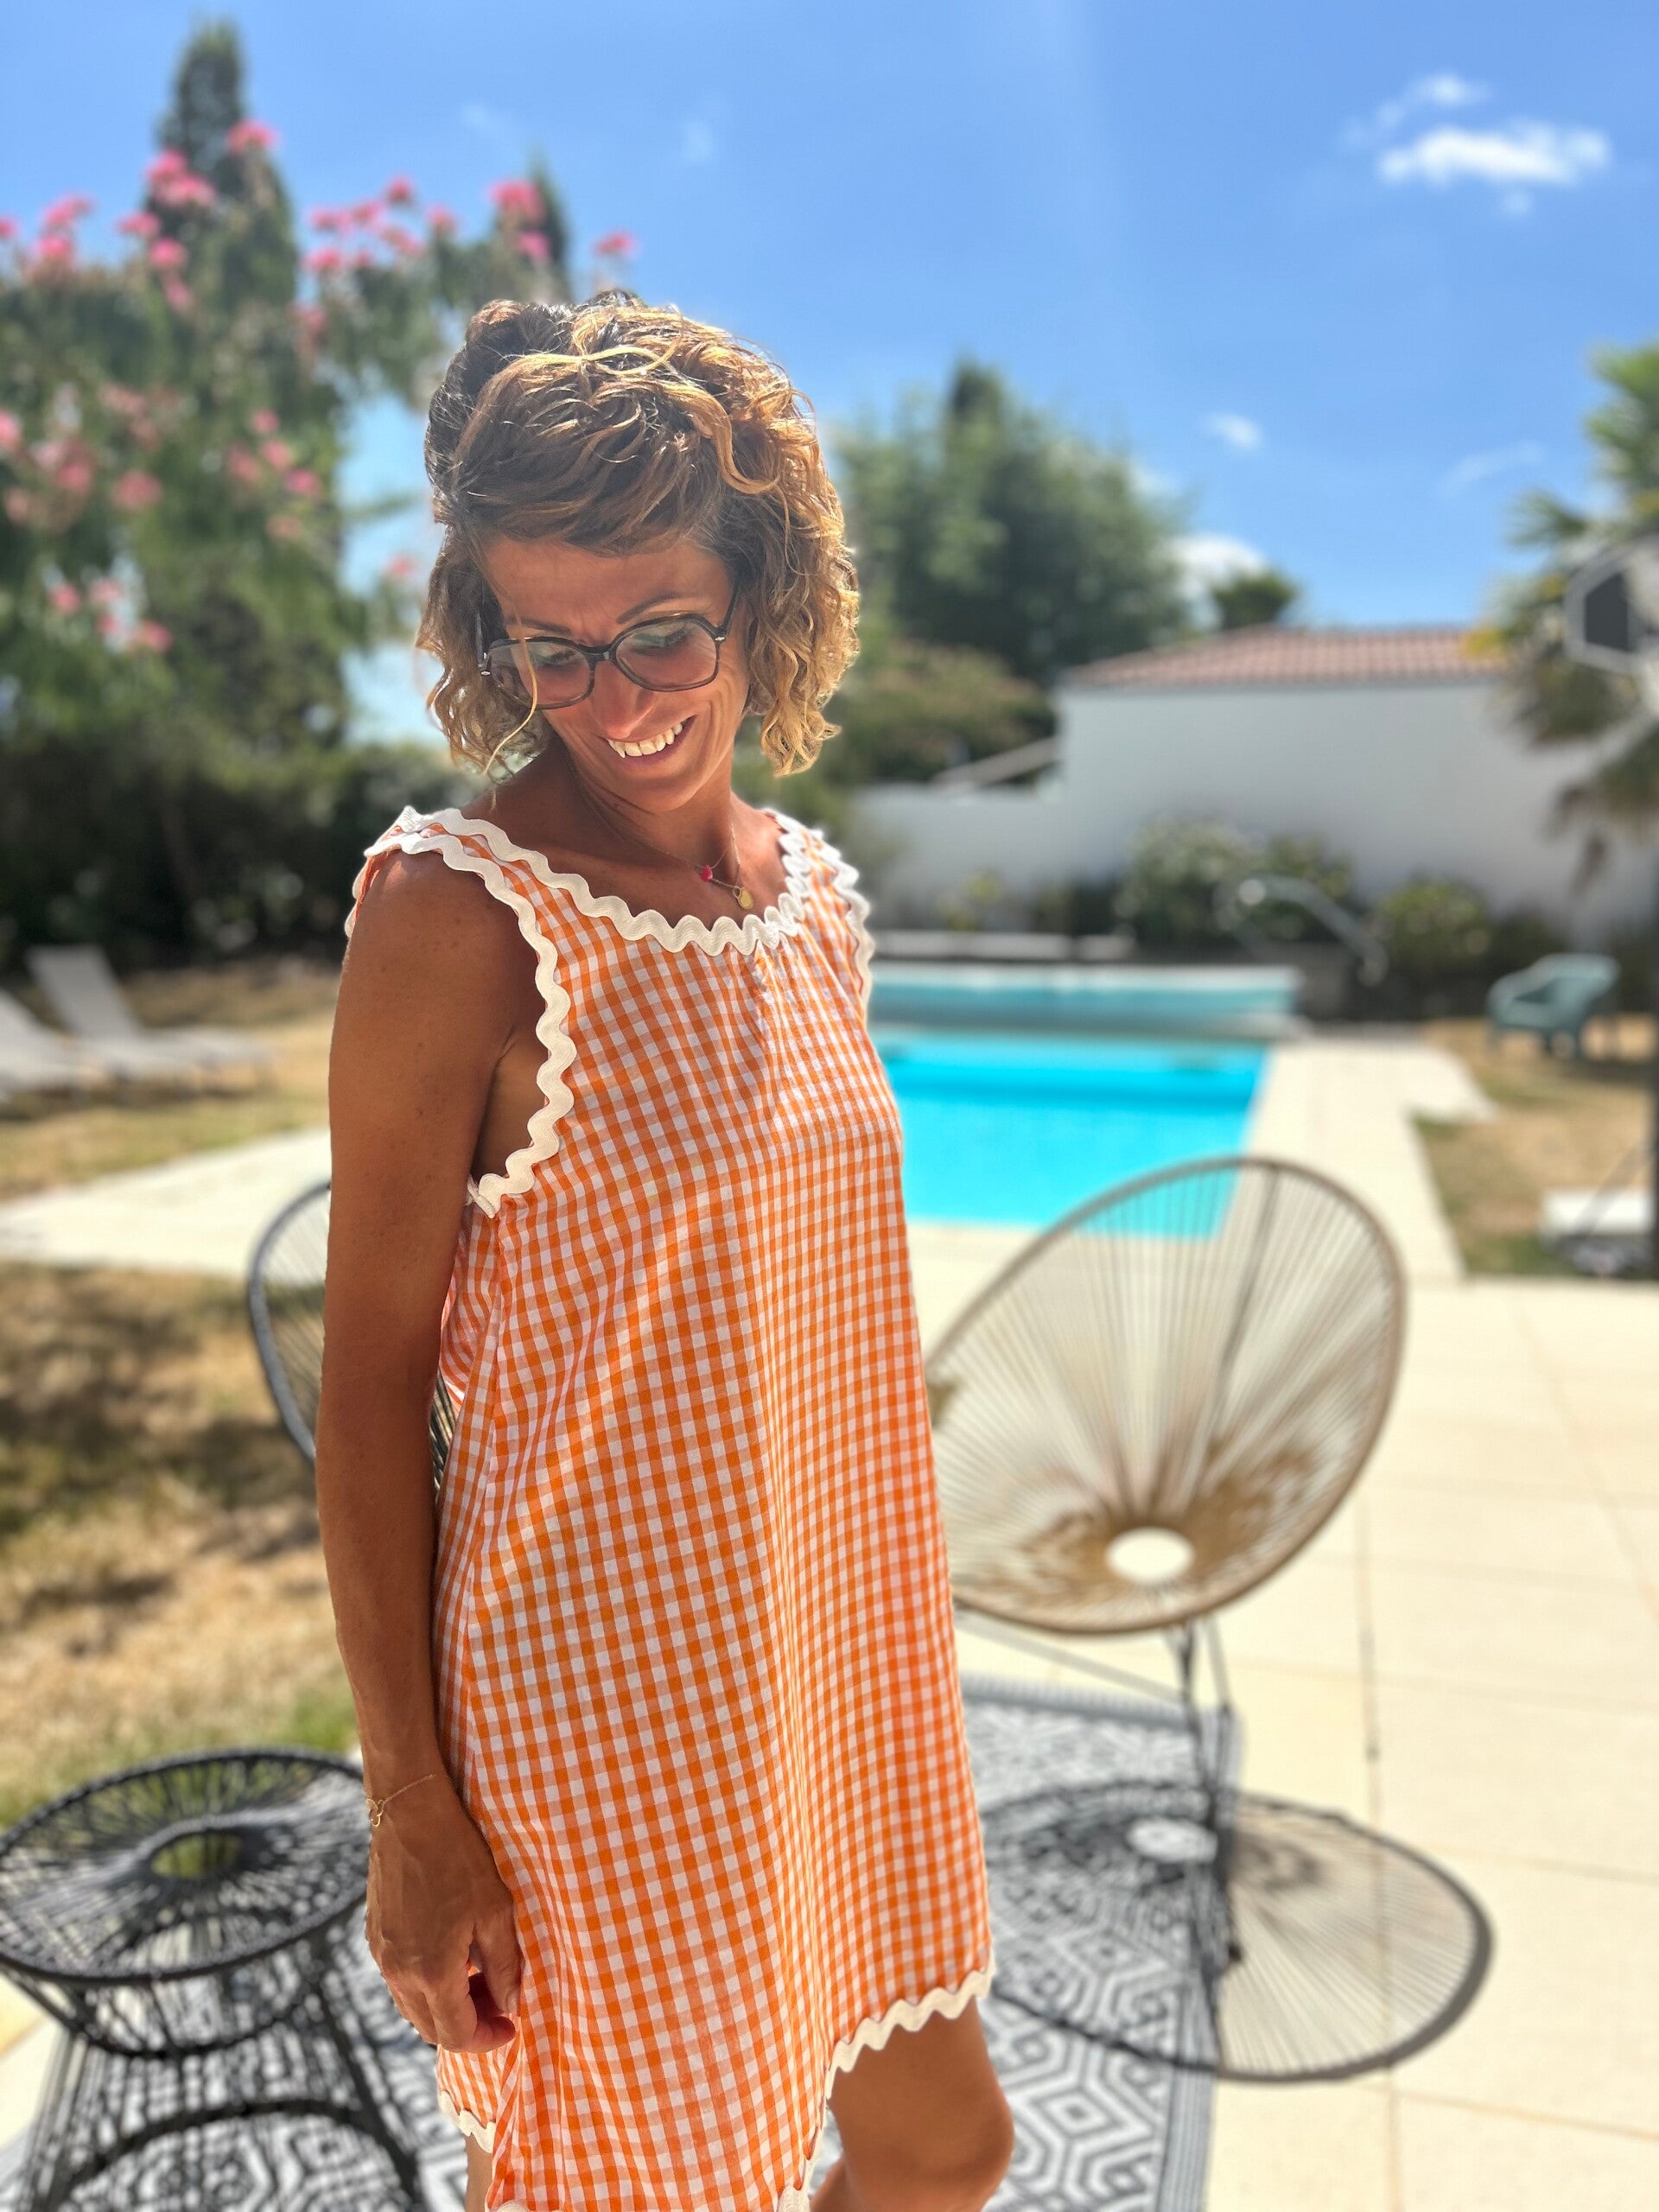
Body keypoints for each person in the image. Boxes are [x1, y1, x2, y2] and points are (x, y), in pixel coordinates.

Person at [317, 296, 1013, 2212]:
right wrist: (413, 1810)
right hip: (600, 1720)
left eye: (660, 633)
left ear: (760, 592)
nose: (613, 699)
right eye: (552, 647)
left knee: (941, 2149)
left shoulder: (814, 904)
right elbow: (367, 1386)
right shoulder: (460, 917)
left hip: (835, 1665)